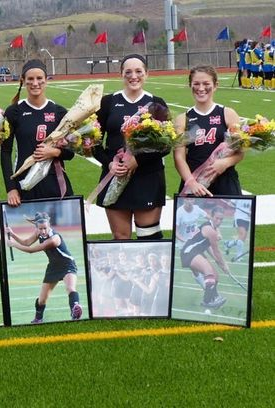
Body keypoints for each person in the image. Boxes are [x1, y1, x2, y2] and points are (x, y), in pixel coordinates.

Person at [93, 54, 169, 240]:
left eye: (138, 71)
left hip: (147, 177)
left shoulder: (156, 103)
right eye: (128, 72)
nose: (133, 76)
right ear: (121, 74)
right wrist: (109, 163)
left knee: (149, 237)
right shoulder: (108, 102)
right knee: (121, 238)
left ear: (147, 74)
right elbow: (93, 142)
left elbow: (166, 145)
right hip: (115, 176)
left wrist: (137, 160)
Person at [1, 59, 74, 206]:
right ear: (23, 81)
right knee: (30, 228)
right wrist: (11, 188)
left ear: (46, 80)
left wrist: (54, 152)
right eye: (30, 79)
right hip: (25, 181)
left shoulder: (59, 111)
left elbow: (71, 152)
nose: (35, 83)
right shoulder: (14, 111)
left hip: (55, 180)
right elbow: (5, 152)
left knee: (62, 228)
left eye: (39, 78)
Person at [174, 65, 243, 197]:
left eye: (206, 83)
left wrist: (225, 163)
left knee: (227, 218)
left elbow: (240, 153)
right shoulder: (182, 119)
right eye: (196, 84)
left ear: (215, 85)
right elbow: (179, 158)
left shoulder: (228, 114)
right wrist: (191, 182)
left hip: (225, 182)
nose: (201, 88)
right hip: (194, 184)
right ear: (190, 85)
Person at [6, 212, 82, 323]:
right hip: (53, 267)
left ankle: (75, 310)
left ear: (49, 225)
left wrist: (14, 244)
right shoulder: (38, 233)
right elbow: (27, 243)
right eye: (40, 229)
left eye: (45, 228)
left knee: (70, 288)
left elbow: (31, 250)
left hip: (67, 264)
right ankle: (38, 319)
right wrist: (12, 234)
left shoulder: (54, 239)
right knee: (41, 300)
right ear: (36, 227)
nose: (43, 231)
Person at [180, 206, 229, 309]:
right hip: (188, 252)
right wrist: (224, 265)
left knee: (215, 275)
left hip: (197, 251)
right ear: (211, 217)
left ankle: (213, 297)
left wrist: (218, 262)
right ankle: (207, 301)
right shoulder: (210, 230)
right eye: (217, 218)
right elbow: (217, 251)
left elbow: (208, 247)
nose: (219, 221)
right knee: (208, 271)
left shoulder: (212, 228)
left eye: (221, 219)